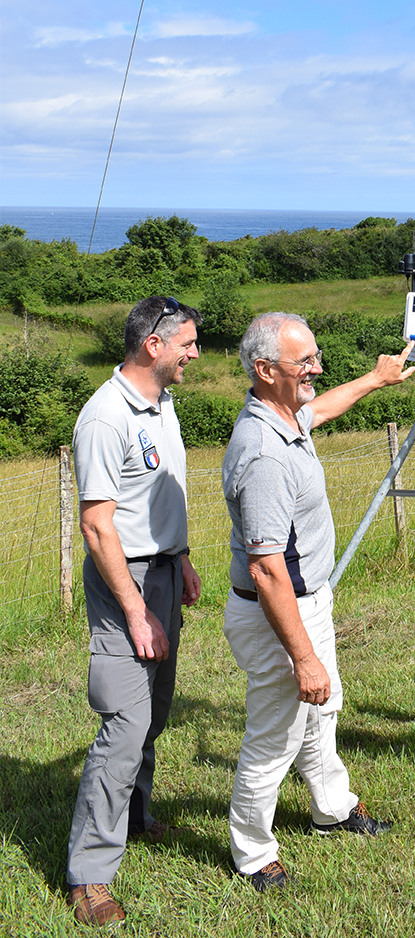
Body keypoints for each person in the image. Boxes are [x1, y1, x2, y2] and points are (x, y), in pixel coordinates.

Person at [222, 312, 415, 890]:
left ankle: (331, 806)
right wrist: (303, 656)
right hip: (277, 613)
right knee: (275, 736)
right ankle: (252, 851)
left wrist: (376, 379)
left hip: (310, 601)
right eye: (303, 361)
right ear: (264, 370)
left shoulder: (285, 417)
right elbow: (266, 568)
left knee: (322, 713)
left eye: (315, 356)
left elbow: (322, 406)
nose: (316, 367)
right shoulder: (264, 453)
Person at [66, 297, 203, 927]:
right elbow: (98, 527)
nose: (194, 354)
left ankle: (137, 813)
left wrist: (181, 559)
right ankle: (90, 874)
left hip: (164, 573)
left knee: (157, 706)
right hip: (127, 583)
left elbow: (155, 499)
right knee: (125, 719)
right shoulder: (105, 417)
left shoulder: (161, 404)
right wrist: (136, 609)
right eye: (187, 344)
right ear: (154, 344)